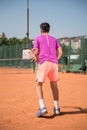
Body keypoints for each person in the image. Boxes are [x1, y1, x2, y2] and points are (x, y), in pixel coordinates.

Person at [33, 22, 62, 117]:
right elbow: (60, 52)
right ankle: (57, 109)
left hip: (44, 62)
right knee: (54, 85)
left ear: (41, 30)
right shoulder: (54, 39)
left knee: (38, 84)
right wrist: (54, 60)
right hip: (54, 64)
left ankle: (42, 107)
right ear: (49, 30)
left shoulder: (37, 38)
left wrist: (35, 57)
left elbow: (36, 52)